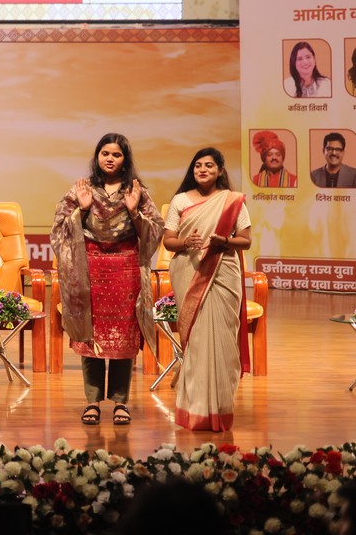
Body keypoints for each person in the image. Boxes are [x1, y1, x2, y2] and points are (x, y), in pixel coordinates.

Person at [51, 134, 163, 426]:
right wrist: (82, 209)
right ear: (97, 156)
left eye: (116, 154)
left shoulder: (136, 191)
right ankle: (92, 401)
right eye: (105, 153)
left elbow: (155, 230)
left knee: (123, 339)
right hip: (90, 270)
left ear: (125, 159)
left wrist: (134, 211)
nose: (110, 159)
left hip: (125, 270)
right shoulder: (82, 189)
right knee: (92, 337)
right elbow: (59, 229)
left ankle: (120, 401)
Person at [162, 147, 252, 431]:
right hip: (188, 271)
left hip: (223, 271)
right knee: (197, 342)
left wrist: (224, 241)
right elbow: (168, 240)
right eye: (198, 165)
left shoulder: (232, 201)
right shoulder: (180, 200)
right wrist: (186, 242)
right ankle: (195, 410)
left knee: (222, 342)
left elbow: (246, 240)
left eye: (209, 165)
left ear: (220, 170)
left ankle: (220, 410)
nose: (202, 169)